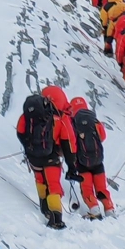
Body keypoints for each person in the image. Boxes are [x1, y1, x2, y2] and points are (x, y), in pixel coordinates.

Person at [15, 84, 77, 229]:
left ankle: (44, 207)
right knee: (53, 184)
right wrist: (71, 166)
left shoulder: (31, 114)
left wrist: (28, 146)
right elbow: (69, 142)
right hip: (52, 156)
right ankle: (56, 217)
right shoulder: (62, 118)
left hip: (33, 156)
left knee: (40, 179)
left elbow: (20, 130)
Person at [67, 96, 113, 217]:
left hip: (82, 162)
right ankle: (109, 209)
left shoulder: (72, 122)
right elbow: (102, 136)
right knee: (102, 188)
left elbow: (71, 142)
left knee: (87, 188)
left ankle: (94, 210)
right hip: (98, 161)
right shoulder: (94, 120)